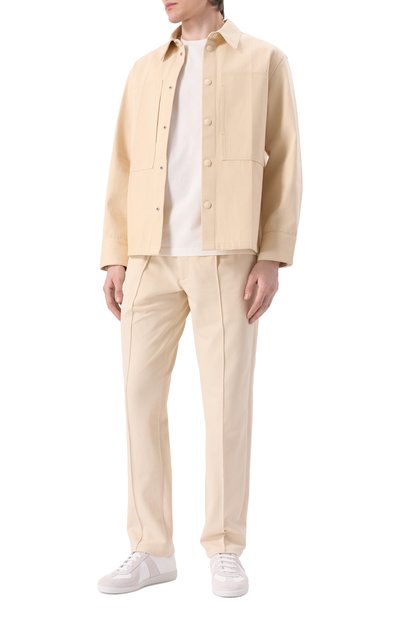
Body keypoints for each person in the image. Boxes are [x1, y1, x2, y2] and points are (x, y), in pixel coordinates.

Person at [97, 0, 302, 598]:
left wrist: (271, 254)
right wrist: (115, 254)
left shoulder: (264, 61)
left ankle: (225, 547)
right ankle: (151, 548)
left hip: (228, 257)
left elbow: (285, 163)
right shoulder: (144, 69)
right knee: (139, 401)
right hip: (148, 257)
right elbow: (122, 164)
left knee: (226, 405)